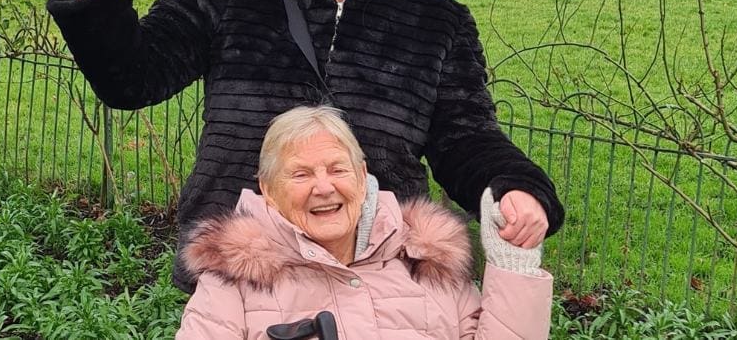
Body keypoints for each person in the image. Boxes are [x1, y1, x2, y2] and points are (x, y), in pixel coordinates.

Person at [46, 0, 565, 293]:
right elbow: (132, 77)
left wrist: (515, 185)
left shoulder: (433, 14)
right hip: (245, 272)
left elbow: (464, 135)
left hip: (379, 277)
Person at [176, 106, 554, 339]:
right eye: (301, 175)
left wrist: (513, 267)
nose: (324, 187)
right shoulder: (233, 281)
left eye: (337, 169)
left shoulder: (426, 261)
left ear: (362, 176)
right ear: (268, 190)